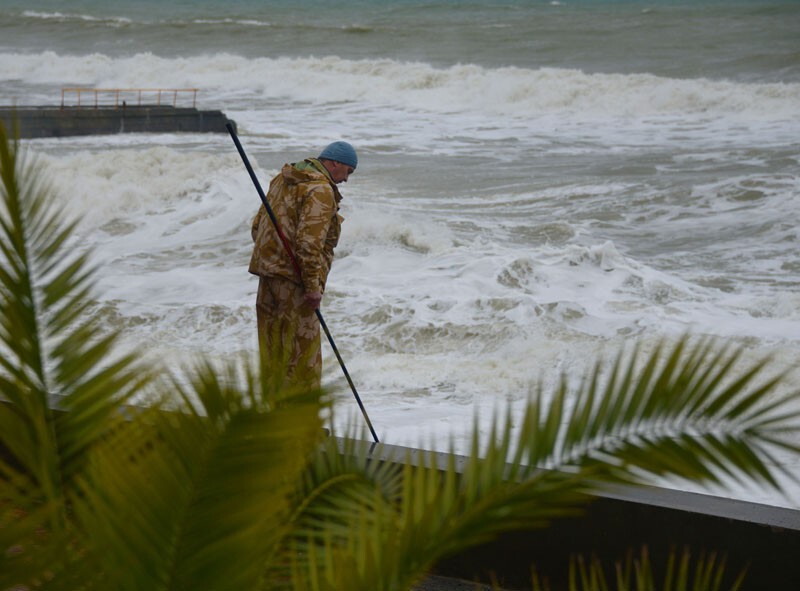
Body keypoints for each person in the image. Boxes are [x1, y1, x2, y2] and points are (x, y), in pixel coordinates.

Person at [249, 141, 357, 386]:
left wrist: (275, 261)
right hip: (295, 283)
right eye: (348, 171)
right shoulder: (320, 190)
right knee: (302, 358)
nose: (346, 179)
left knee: (272, 352)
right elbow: (309, 244)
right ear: (335, 163)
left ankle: (271, 415)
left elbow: (257, 227)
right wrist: (311, 287)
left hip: (268, 277)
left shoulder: (282, 180)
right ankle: (302, 419)